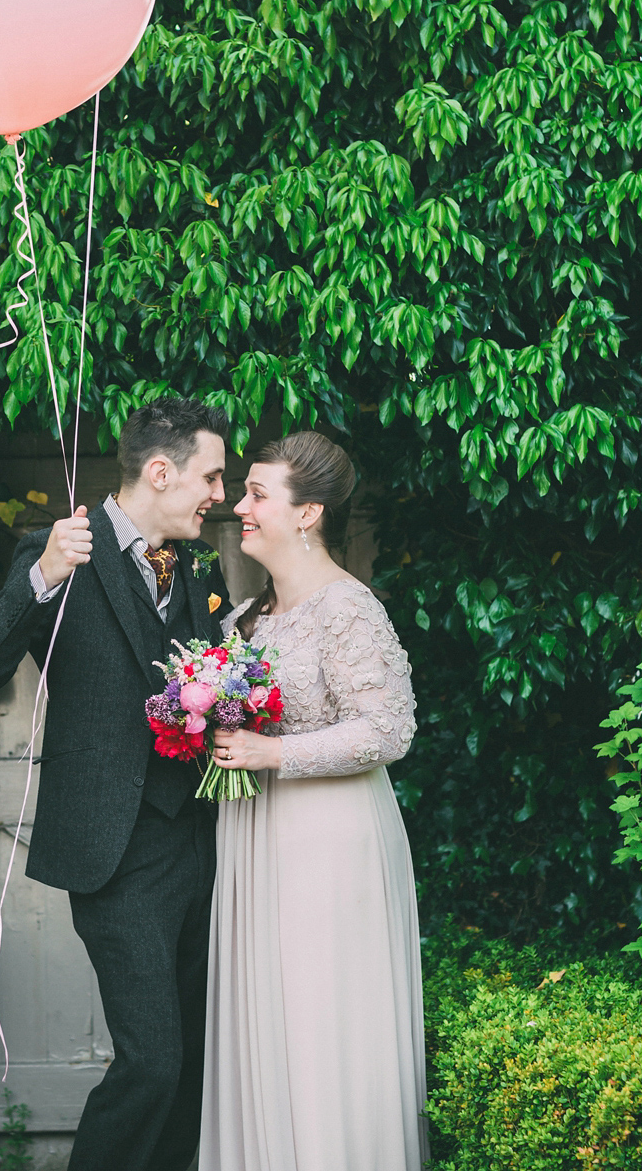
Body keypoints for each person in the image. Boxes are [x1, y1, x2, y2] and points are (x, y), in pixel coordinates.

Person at [0, 398, 233, 1171]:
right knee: (152, 1062)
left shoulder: (200, 567)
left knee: (197, 1060)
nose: (219, 493)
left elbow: (211, 683)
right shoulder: (59, 551)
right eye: (211, 476)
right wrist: (40, 577)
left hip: (200, 841)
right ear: (161, 471)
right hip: (111, 848)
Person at [199, 430, 427, 1171]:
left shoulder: (347, 609)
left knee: (321, 1017)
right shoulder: (242, 620)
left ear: (309, 513)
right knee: (263, 1020)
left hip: (329, 843)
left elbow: (389, 730)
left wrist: (274, 754)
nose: (240, 506)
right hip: (252, 839)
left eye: (258, 494)